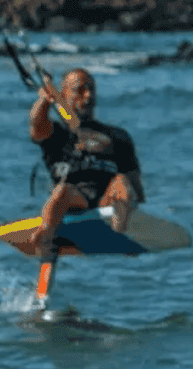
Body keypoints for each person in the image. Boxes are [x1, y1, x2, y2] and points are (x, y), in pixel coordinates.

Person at [26, 67, 145, 256]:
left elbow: (137, 190)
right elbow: (36, 125)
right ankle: (45, 237)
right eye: (80, 90)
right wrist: (45, 98)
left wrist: (138, 209)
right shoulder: (57, 133)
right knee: (61, 191)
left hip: (108, 198)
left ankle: (118, 236)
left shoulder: (118, 136)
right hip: (74, 198)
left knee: (122, 182)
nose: (88, 96)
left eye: (91, 89)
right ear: (63, 95)